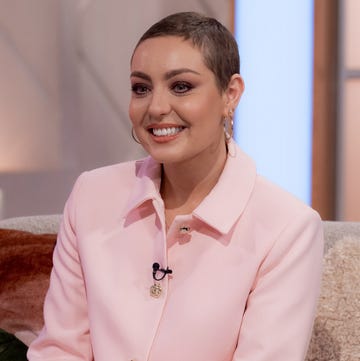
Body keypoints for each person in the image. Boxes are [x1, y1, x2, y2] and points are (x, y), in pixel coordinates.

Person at [27, 11, 323, 361]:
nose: (156, 107)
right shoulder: (91, 195)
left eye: (181, 86)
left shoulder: (288, 228)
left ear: (231, 94)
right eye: (141, 88)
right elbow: (60, 351)